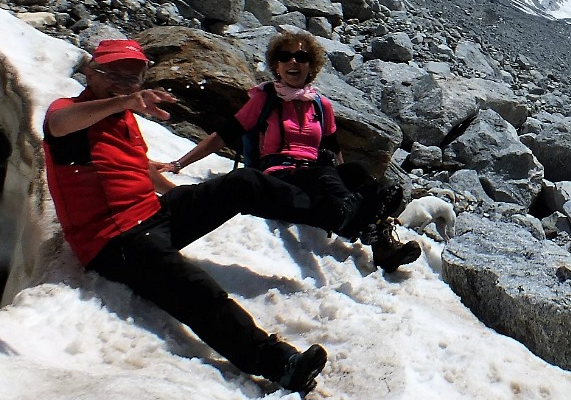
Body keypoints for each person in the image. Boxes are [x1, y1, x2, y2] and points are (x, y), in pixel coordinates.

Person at [42, 39, 340, 395]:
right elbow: (57, 124)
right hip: (114, 240)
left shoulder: (122, 117)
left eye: (132, 77)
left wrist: (180, 195)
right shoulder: (71, 110)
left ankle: (332, 214)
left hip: (151, 214)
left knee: (242, 182)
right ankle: (279, 364)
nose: (123, 83)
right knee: (196, 291)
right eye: (112, 74)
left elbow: (136, 167)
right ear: (90, 72)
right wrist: (123, 101)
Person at [165, 30, 420, 271]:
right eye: (285, 57)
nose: (293, 62)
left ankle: (380, 242)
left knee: (356, 173)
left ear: (312, 66)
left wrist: (351, 184)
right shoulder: (264, 99)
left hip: (314, 177)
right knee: (328, 178)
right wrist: (178, 164)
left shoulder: (321, 106)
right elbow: (223, 135)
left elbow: (334, 150)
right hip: (278, 174)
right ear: (276, 66)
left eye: (301, 57)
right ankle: (354, 222)